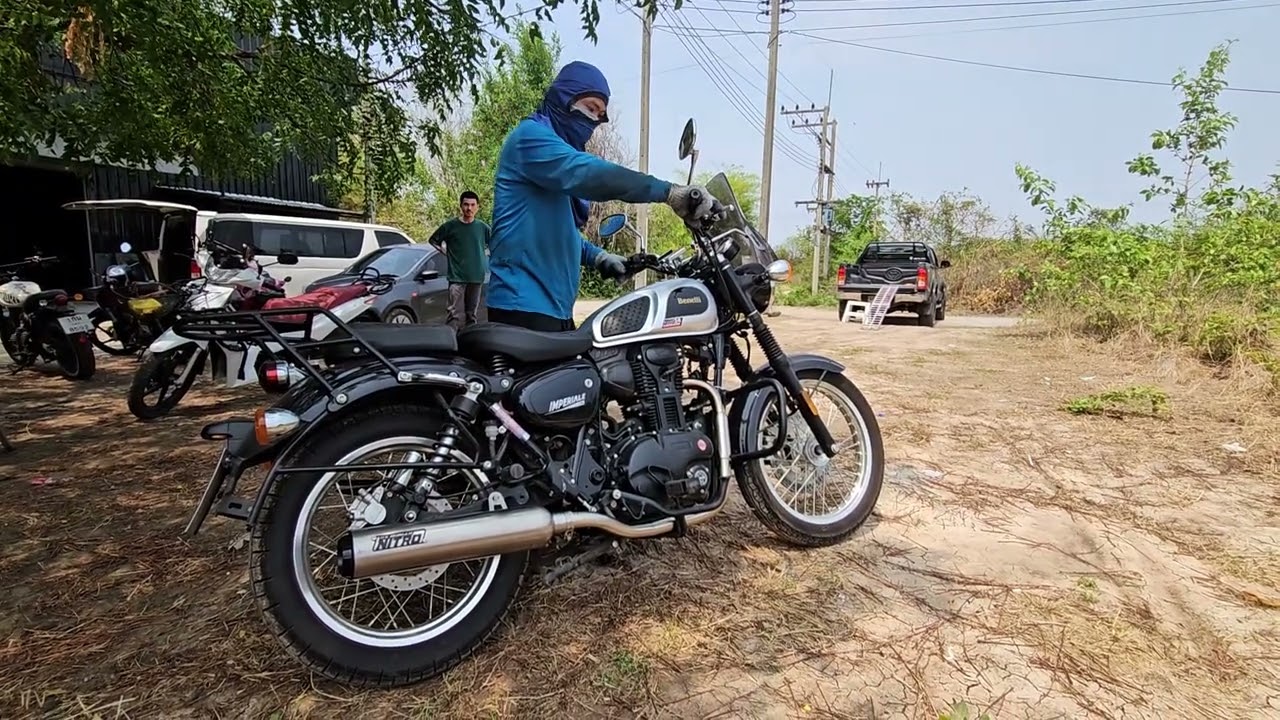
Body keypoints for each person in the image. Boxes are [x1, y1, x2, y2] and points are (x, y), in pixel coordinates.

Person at [485, 60, 718, 332]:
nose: (594, 119)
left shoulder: (554, 163)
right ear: (565, 97)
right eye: (590, 107)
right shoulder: (530, 138)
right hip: (522, 307)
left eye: (600, 113)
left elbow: (558, 233)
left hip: (552, 307)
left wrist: (598, 257)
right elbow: (593, 175)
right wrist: (668, 192)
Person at [428, 190, 491, 330]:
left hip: (476, 276)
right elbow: (433, 240)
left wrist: (484, 254)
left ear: (477, 207)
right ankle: (451, 341)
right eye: (466, 204)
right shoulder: (450, 226)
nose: (469, 208)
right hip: (456, 276)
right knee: (453, 314)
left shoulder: (482, 228)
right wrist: (444, 251)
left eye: (472, 205)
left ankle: (470, 343)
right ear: (461, 206)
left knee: (471, 314)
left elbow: (493, 244)